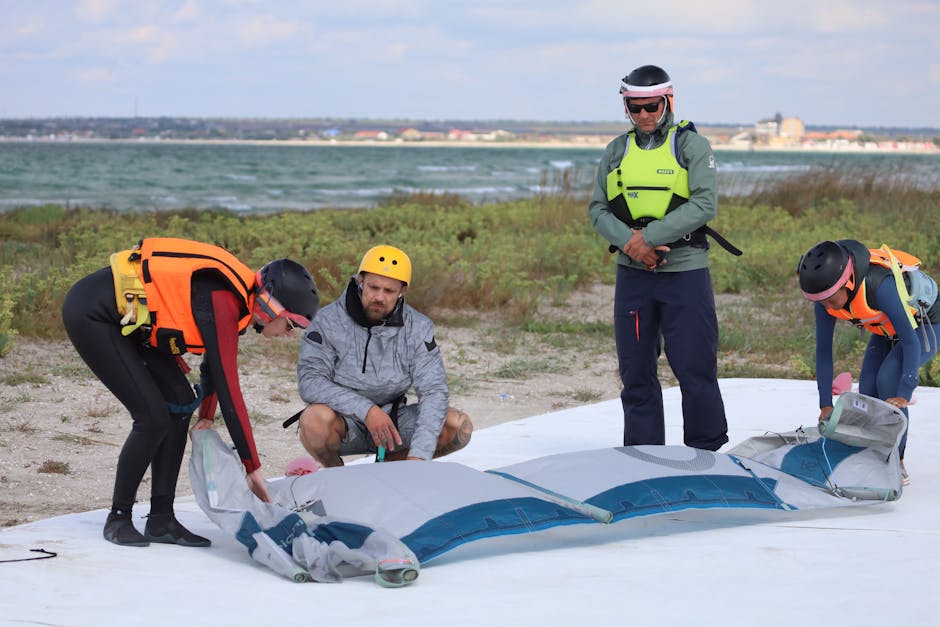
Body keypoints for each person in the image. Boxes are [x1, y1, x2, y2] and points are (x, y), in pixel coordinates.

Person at [62, 237, 319, 547]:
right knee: (152, 418)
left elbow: (213, 366)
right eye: (290, 325)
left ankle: (161, 520)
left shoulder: (234, 302)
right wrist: (252, 468)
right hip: (93, 314)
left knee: (181, 403)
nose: (288, 334)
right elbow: (229, 388)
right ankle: (118, 518)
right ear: (270, 307)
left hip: (131, 324)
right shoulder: (223, 301)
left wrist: (206, 417)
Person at [588, 64, 741, 452]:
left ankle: (706, 451)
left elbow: (705, 204)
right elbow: (597, 210)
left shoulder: (692, 146)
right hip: (633, 276)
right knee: (635, 371)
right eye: (635, 108)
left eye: (651, 106)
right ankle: (643, 453)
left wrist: (650, 238)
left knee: (694, 367)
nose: (643, 115)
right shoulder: (615, 151)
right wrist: (632, 245)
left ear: (668, 101)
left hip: (684, 274)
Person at [295, 244, 472, 467]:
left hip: (395, 422)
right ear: (360, 280)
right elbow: (310, 382)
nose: (379, 297)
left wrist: (419, 456)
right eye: (373, 287)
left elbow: (433, 390)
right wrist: (367, 410)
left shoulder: (419, 328)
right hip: (344, 421)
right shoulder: (326, 321)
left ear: (403, 291)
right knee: (313, 420)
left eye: (388, 291)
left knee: (459, 426)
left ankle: (394, 468)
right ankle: (338, 474)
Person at [797, 239, 939, 481]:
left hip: (926, 325)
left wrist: (905, 390)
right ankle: (875, 453)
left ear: (848, 283)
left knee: (888, 380)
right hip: (887, 327)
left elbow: (910, 342)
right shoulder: (825, 297)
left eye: (831, 300)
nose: (827, 307)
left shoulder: (880, 286)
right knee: (867, 389)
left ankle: (897, 461)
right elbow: (823, 351)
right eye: (821, 301)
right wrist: (825, 404)